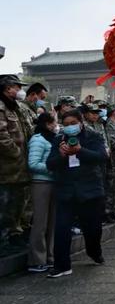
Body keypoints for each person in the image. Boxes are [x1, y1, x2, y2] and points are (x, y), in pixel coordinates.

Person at [46, 109, 108, 278]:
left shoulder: (93, 136)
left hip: (90, 191)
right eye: (65, 125)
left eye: (73, 124)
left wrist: (79, 151)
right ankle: (62, 265)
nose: (69, 127)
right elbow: (50, 164)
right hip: (66, 191)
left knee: (92, 229)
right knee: (61, 228)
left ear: (81, 122)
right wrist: (61, 155)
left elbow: (101, 157)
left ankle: (94, 252)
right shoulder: (59, 139)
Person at [0, 74, 33, 254]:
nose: (19, 90)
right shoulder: (1, 107)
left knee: (15, 205)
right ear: (7, 87)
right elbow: (2, 137)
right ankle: (2, 241)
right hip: (6, 168)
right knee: (4, 205)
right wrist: (16, 152)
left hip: (18, 169)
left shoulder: (14, 108)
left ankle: (12, 237)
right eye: (16, 87)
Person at [26, 112, 58, 272]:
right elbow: (33, 163)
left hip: (54, 183)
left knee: (52, 222)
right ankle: (36, 259)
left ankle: (50, 256)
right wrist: (52, 169)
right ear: (47, 124)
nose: (56, 126)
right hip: (41, 183)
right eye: (54, 123)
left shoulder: (53, 139)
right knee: (40, 222)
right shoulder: (38, 140)